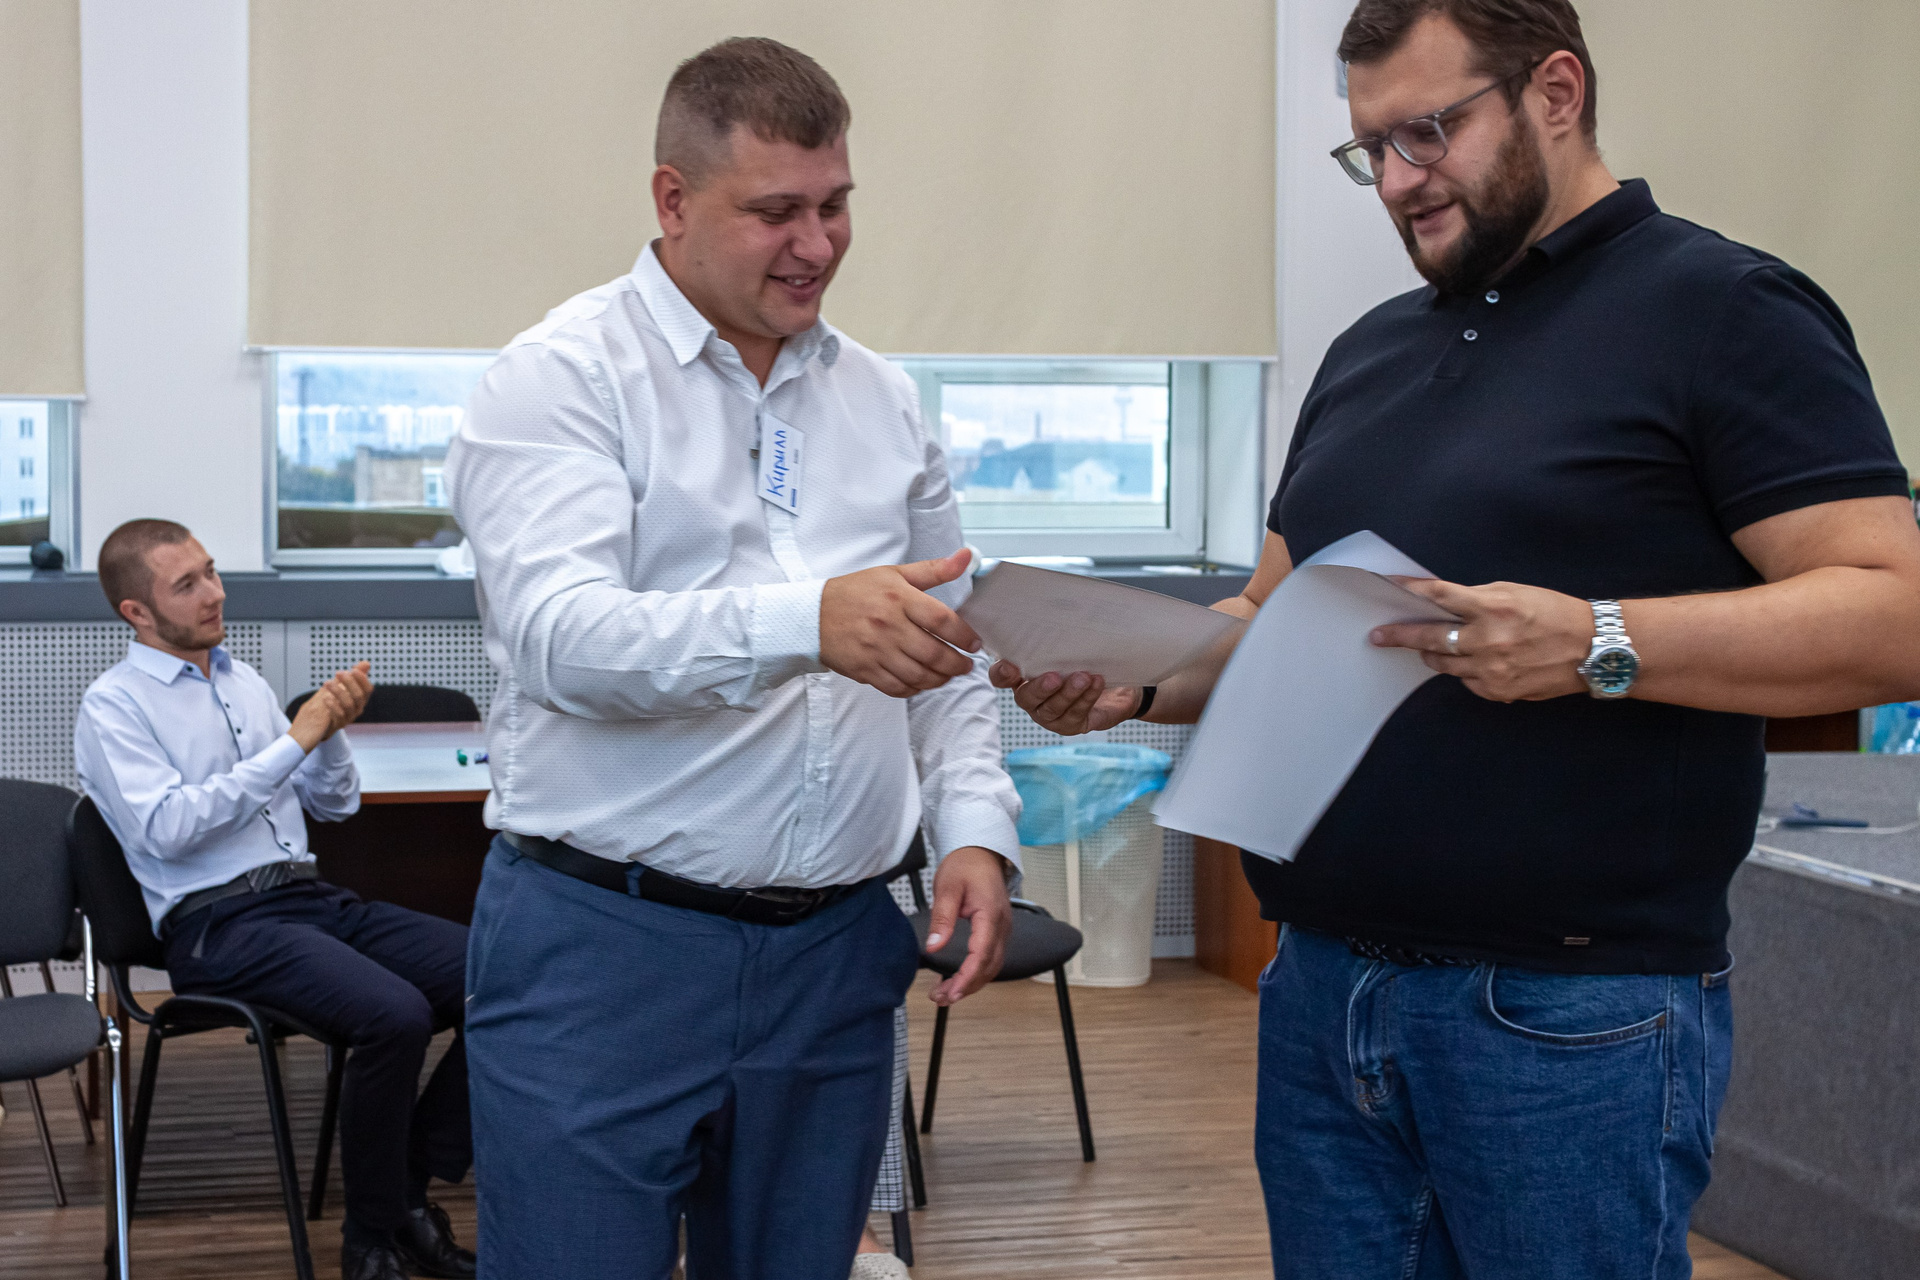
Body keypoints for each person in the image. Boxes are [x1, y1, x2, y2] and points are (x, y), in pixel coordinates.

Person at [992, 2, 1920, 1276]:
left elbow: (1892, 610)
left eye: (1427, 132)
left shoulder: (1725, 309)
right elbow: (1272, 616)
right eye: (1370, 148)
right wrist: (1134, 677)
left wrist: (1597, 640)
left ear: (1556, 93)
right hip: (1322, 992)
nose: (1396, 180)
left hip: (1564, 1013)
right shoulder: (1370, 352)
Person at [445, 37, 1021, 1280]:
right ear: (673, 199)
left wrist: (975, 826)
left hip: (838, 953)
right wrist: (806, 622)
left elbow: (949, 646)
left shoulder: (884, 400)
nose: (816, 243)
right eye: (776, 212)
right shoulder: (559, 379)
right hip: (607, 950)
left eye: (836, 205)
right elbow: (559, 635)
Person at [72, 519, 477, 1280]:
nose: (214, 593)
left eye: (211, 571)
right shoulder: (113, 706)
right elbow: (167, 829)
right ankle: (371, 1242)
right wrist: (296, 739)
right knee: (394, 1016)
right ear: (136, 612)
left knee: (505, 977)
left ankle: (406, 1192)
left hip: (308, 900)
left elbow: (336, 806)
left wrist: (331, 734)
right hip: (215, 925)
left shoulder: (245, 682)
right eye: (187, 584)